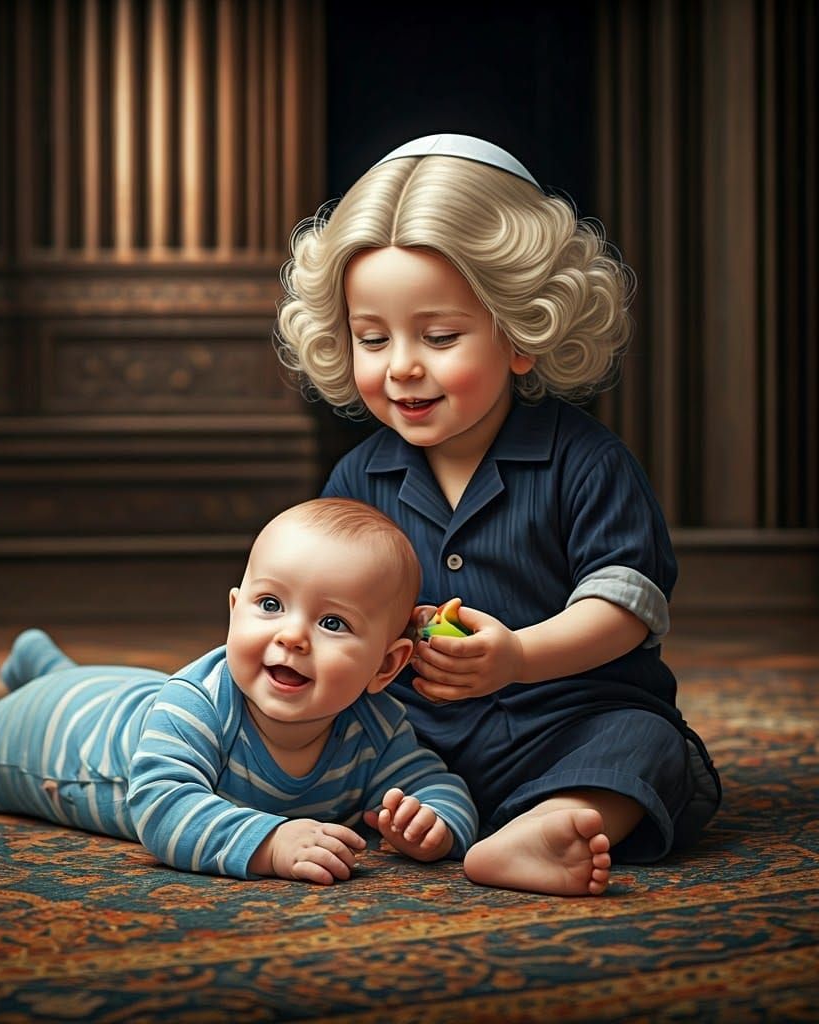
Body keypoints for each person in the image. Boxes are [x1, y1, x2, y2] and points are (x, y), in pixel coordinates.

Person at [275, 133, 721, 897]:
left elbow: (626, 606)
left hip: (565, 720)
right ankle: (419, 813)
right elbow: (326, 612)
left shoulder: (586, 462)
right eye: (372, 338)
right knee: (318, 735)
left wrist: (518, 658)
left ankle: (557, 821)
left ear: (522, 332)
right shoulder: (359, 476)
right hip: (414, 738)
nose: (402, 365)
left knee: (648, 746)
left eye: (439, 336)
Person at [0, 498, 479, 885]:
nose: (294, 637)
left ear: (385, 667)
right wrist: (269, 843)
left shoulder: (377, 726)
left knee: (88, 683)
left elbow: (435, 779)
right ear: (234, 611)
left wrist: (437, 822)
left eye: (332, 623)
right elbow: (161, 808)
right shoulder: (198, 706)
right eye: (270, 604)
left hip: (122, 694)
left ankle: (43, 661)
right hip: (60, 739)